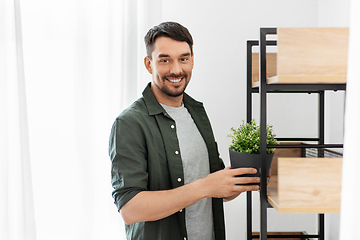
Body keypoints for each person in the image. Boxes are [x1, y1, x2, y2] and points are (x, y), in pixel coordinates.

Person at [108, 21, 260, 240]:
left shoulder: (197, 111)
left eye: (183, 58)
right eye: (165, 60)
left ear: (192, 60)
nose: (176, 69)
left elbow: (215, 187)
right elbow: (130, 210)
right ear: (149, 64)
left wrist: (245, 178)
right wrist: (204, 187)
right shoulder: (129, 123)